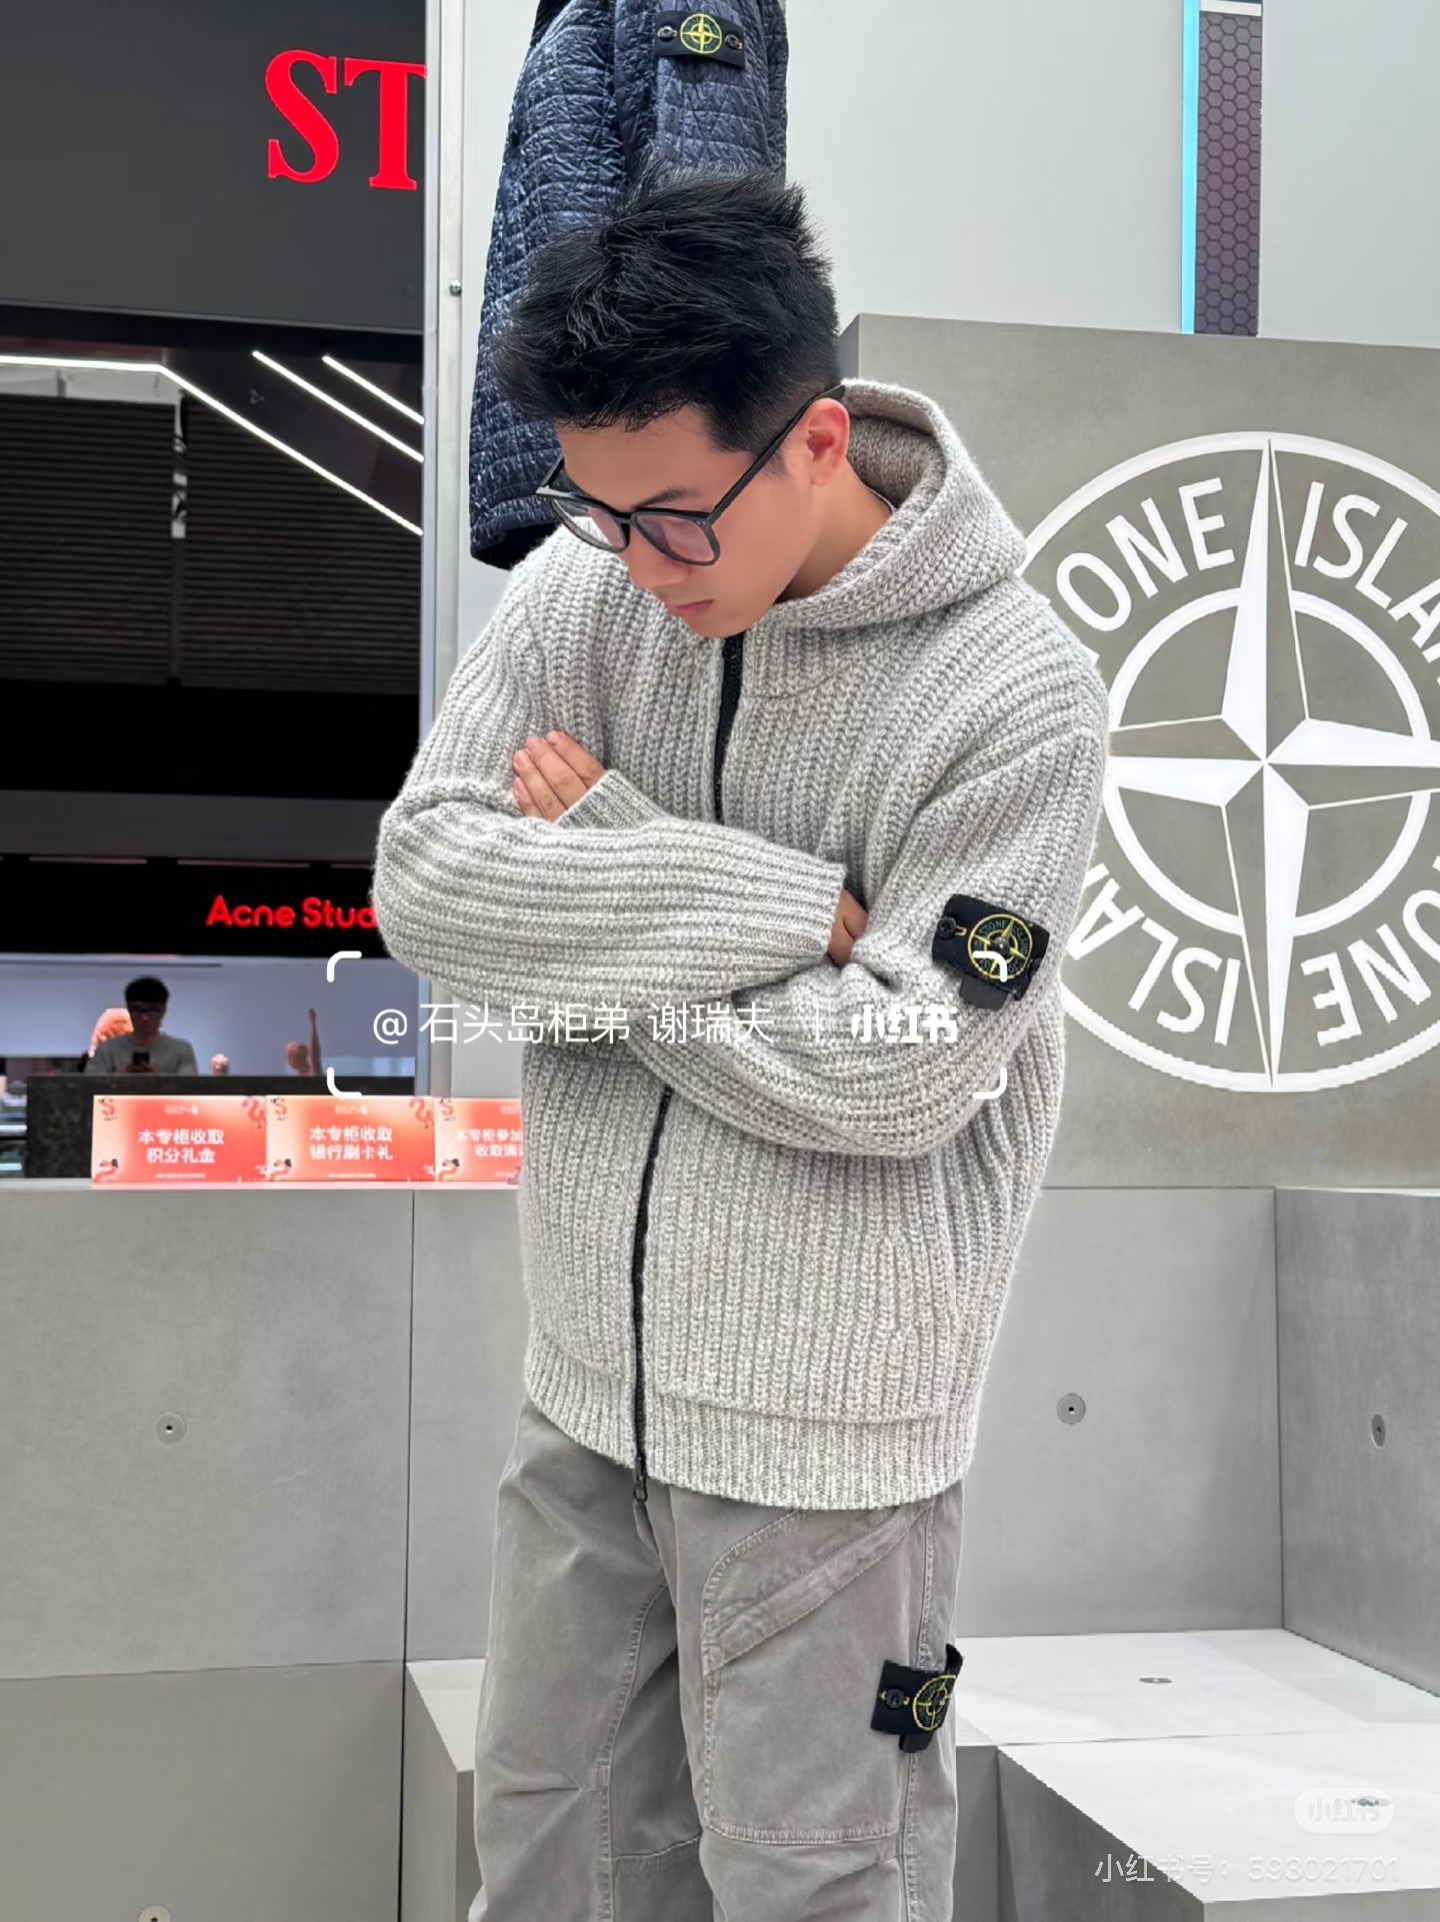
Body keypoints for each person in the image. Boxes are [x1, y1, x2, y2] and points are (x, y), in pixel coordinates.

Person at [372, 164, 1110, 1922]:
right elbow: (430, 882)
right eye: (597, 509)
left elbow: (904, 1065)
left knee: (822, 1886)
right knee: (543, 1869)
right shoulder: (589, 588)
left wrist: (599, 875)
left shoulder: (1018, 694)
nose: (638, 564)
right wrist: (781, 904)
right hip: (582, 1401)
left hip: (836, 1461)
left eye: (675, 520)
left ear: (815, 439)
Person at [85, 976, 200, 1075]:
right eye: (138, 1010)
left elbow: (190, 1089)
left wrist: (158, 1080)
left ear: (163, 1010)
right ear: (129, 1009)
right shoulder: (106, 1050)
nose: (145, 1018)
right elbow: (90, 1087)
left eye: (153, 1010)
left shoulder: (181, 1050)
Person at [283, 1008, 323, 1077]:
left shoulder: (312, 1072)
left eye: (290, 1055)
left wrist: (313, 1024)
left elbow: (315, 1056)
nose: (287, 1060)